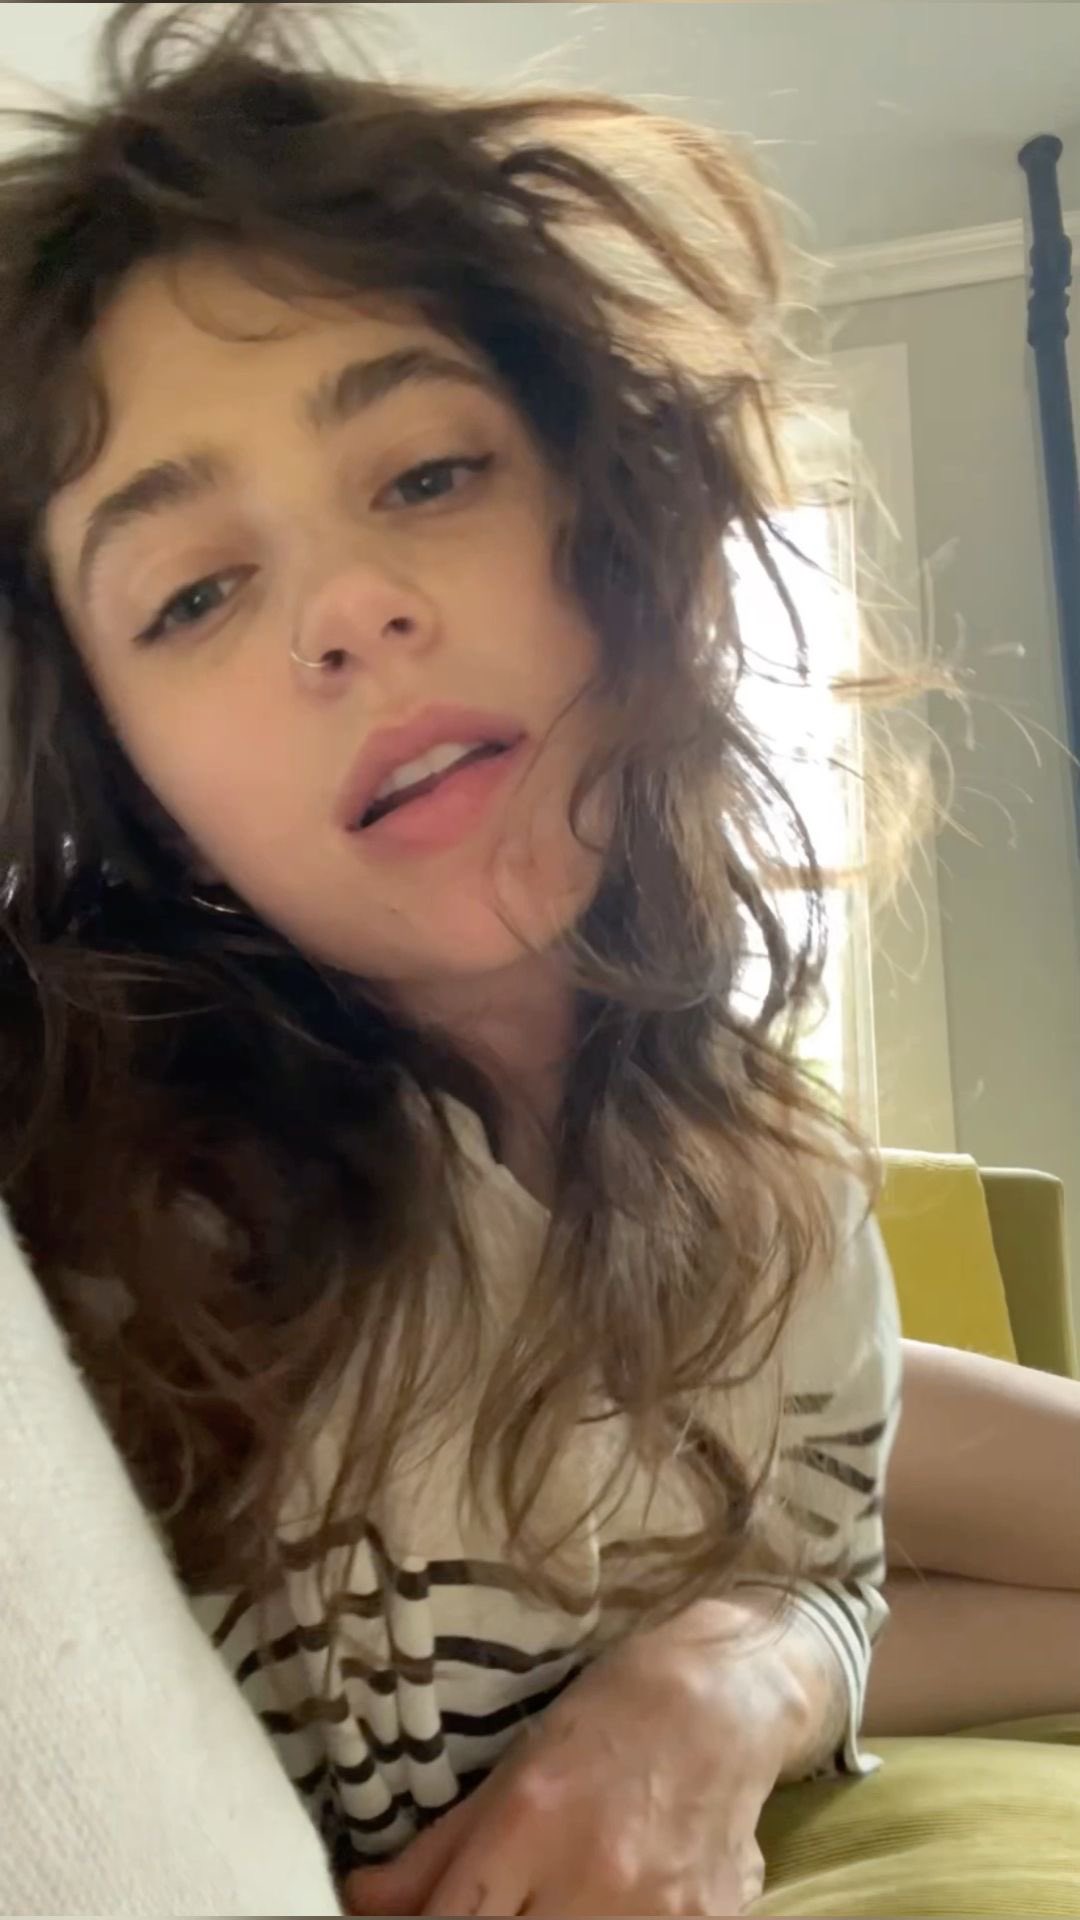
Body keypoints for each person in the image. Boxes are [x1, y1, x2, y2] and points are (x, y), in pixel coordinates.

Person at [0, 6, 1075, 1916]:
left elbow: (830, 1576)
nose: (349, 607)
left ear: (611, 526)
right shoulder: (77, 1191)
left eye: (427, 474)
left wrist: (720, 1684)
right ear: (119, 761)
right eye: (194, 591)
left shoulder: (781, 1196)